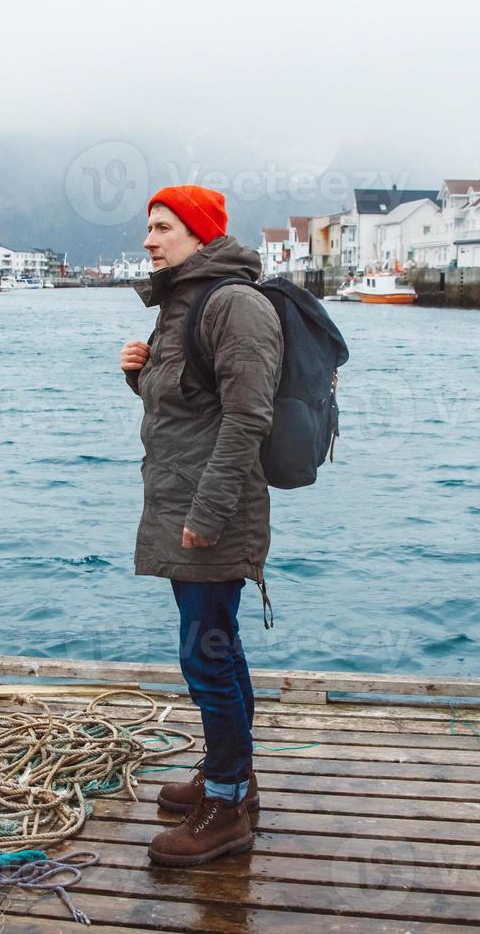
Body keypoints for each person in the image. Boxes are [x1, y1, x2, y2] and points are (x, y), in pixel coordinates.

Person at [118, 185, 282, 866]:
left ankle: (224, 810)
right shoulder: (183, 303)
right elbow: (190, 407)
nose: (150, 240)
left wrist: (207, 516)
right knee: (215, 649)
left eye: (163, 227)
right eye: (148, 228)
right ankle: (231, 780)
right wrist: (137, 376)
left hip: (210, 513)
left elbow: (249, 418)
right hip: (183, 503)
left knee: (206, 656)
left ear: (200, 233)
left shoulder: (236, 306)